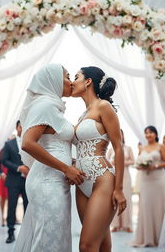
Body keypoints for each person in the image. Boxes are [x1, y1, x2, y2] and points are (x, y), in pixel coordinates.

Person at [14, 64, 85, 252]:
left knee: (56, 235)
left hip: (55, 180)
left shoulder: (53, 107)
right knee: (48, 237)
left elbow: (56, 144)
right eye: (67, 76)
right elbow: (28, 143)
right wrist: (66, 168)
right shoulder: (45, 105)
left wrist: (71, 163)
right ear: (53, 80)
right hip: (47, 182)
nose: (71, 81)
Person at [71, 66, 126, 251]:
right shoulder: (82, 115)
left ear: (88, 82)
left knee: (86, 246)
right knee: (101, 244)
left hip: (102, 180)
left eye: (76, 77)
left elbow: (118, 147)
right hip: (81, 183)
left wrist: (119, 189)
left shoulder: (104, 106)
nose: (72, 81)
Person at [132, 125, 165, 247]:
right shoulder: (142, 147)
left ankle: (160, 238)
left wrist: (155, 166)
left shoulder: (161, 146)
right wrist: (140, 166)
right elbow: (137, 163)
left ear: (156, 134)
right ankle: (147, 238)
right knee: (146, 206)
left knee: (159, 206)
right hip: (145, 180)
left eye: (150, 132)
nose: (148, 135)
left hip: (158, 179)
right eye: (146, 133)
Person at [2, 120, 29, 243]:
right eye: (20, 126)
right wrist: (19, 168)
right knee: (12, 207)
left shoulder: (31, 142)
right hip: (13, 180)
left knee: (28, 207)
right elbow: (4, 161)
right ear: (17, 127)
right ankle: (10, 233)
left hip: (29, 180)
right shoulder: (9, 144)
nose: (22, 129)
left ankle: (27, 233)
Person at [107, 129, 134, 233]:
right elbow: (107, 161)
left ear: (123, 135)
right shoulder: (110, 149)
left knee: (126, 197)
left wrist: (122, 161)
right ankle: (115, 225)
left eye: (120, 134)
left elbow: (133, 161)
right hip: (114, 175)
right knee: (114, 199)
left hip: (126, 175)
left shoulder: (128, 148)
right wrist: (113, 162)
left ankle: (127, 225)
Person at [0, 149, 8, 226]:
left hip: (11, 173)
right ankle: (1, 218)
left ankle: (11, 216)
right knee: (2, 197)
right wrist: (1, 173)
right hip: (3, 174)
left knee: (12, 197)